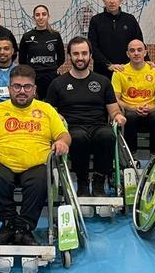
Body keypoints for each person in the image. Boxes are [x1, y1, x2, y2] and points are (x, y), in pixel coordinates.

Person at [0, 64, 71, 245]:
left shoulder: (47, 110)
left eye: (27, 87)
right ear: (9, 88)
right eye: (17, 86)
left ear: (34, 89)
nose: (22, 91)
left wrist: (62, 142)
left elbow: (64, 135)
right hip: (2, 163)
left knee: (41, 179)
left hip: (37, 165)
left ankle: (24, 228)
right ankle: (9, 224)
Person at [45, 37, 124, 197]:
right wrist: (57, 116)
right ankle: (82, 182)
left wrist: (118, 117)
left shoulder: (102, 82)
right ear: (69, 56)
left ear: (90, 55)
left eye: (84, 53)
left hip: (98, 125)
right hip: (71, 127)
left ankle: (99, 181)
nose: (80, 57)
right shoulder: (58, 83)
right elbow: (50, 111)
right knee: (78, 137)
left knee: (108, 135)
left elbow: (114, 110)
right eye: (76, 54)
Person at [111, 39, 155, 154]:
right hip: (129, 112)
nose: (136, 53)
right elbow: (114, 99)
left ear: (145, 52)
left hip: (150, 112)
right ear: (128, 54)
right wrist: (131, 108)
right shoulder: (119, 72)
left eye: (139, 50)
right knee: (130, 117)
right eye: (132, 50)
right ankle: (130, 156)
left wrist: (151, 108)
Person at [87, 0, 148, 78]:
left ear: (121, 0)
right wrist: (108, 65)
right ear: (104, 1)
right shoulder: (95, 21)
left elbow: (139, 43)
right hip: (102, 72)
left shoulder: (130, 19)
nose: (112, 1)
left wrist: (147, 61)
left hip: (127, 71)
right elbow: (92, 47)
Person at [18, 4, 65, 100]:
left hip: (51, 77)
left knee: (51, 105)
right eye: (37, 15)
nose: (41, 17)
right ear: (33, 18)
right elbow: (22, 60)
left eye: (44, 14)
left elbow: (61, 58)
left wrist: (52, 67)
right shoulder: (27, 36)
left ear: (48, 16)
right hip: (34, 78)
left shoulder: (55, 35)